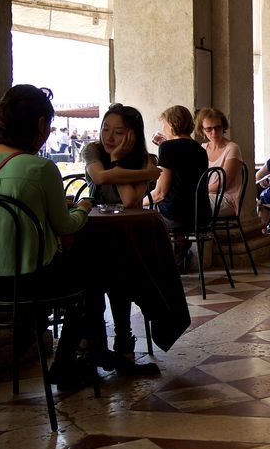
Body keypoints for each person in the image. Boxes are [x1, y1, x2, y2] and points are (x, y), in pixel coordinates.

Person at [0, 85, 98, 389]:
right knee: (93, 275)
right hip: (34, 281)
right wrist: (82, 207)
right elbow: (65, 226)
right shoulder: (39, 168)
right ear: (40, 124)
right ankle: (66, 365)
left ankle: (33, 333)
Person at [83, 103, 161, 366]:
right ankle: (99, 340)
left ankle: (122, 338)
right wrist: (147, 174)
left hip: (129, 237)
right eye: (105, 128)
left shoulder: (145, 159)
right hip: (91, 235)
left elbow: (128, 200)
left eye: (118, 132)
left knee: (120, 271)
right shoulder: (92, 150)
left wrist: (118, 160)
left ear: (133, 135)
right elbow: (101, 177)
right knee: (108, 271)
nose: (108, 137)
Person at [147, 105, 210, 235]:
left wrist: (138, 202)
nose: (163, 129)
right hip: (201, 215)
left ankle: (160, 254)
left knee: (139, 214)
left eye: (164, 124)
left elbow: (160, 193)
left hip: (175, 216)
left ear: (172, 124)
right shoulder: (201, 150)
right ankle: (180, 250)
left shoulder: (167, 148)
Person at [196, 107, 244, 217]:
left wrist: (197, 189)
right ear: (202, 130)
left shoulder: (232, 148)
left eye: (217, 128)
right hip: (206, 195)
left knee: (188, 206)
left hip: (226, 199)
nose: (214, 133)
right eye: (208, 129)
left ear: (223, 127)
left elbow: (223, 185)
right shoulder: (202, 148)